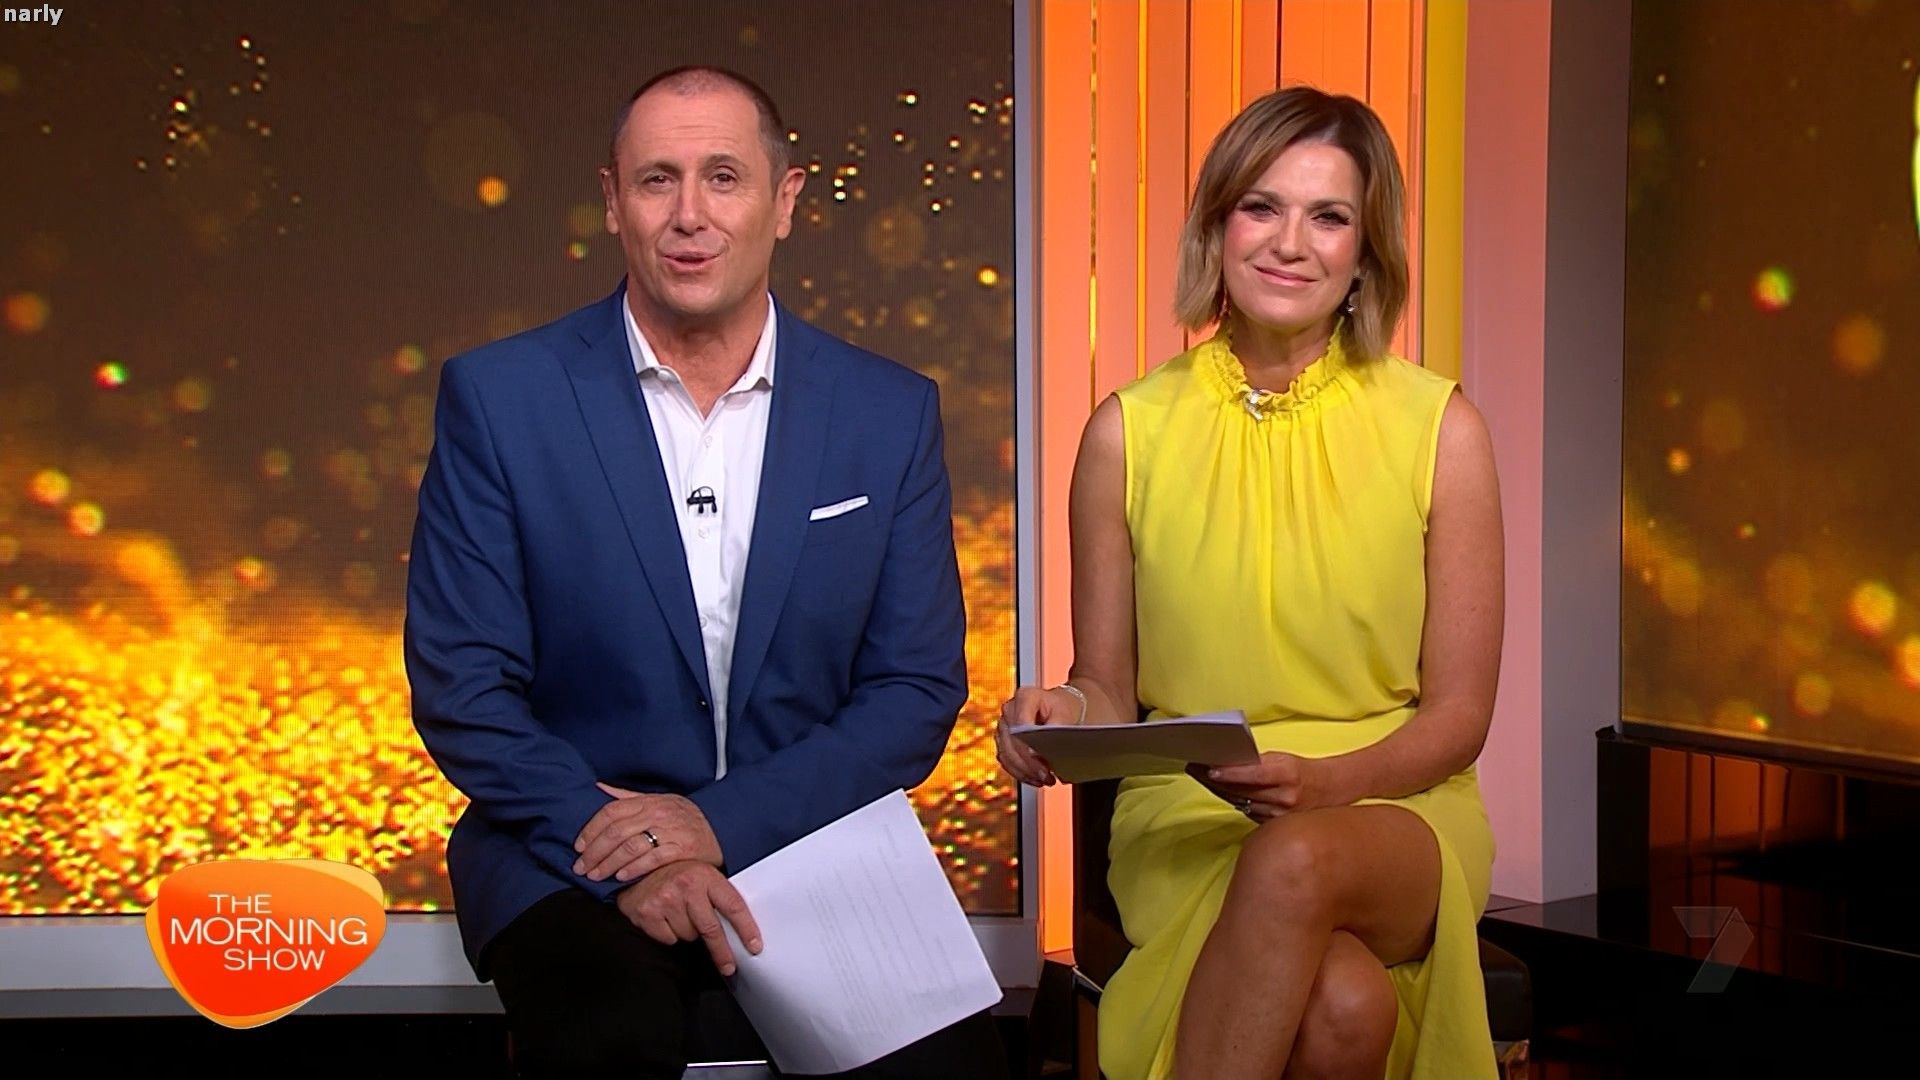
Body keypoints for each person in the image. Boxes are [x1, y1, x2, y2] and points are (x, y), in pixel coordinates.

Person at [405, 65, 1006, 1080]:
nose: (690, 214)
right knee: (613, 1039)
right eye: (658, 180)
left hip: (807, 837)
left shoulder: (887, 410)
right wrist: (624, 847)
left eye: (724, 177)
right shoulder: (501, 400)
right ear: (613, 201)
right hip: (566, 843)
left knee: (953, 1068)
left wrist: (711, 826)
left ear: (786, 199)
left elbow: (913, 691)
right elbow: (464, 688)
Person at [997, 86, 1504, 1079]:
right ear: (1218, 227)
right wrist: (1058, 712)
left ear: (1367, 251)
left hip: (1400, 807)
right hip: (1191, 815)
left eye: (1329, 216)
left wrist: (1329, 785)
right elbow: (1108, 686)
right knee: (1344, 1006)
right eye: (1262, 207)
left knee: (1298, 856)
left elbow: (1460, 717)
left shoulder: (1443, 430)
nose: (1290, 243)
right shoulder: (1126, 432)